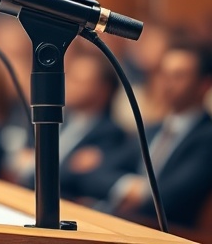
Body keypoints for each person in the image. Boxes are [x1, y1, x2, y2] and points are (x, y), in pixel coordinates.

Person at [95, 38, 212, 228]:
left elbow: (171, 197)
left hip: (171, 233)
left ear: (204, 84)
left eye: (179, 76)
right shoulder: (152, 129)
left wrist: (140, 193)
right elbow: (97, 173)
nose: (167, 83)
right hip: (129, 223)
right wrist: (128, 187)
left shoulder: (207, 137)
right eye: (163, 74)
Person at [13, 52, 132, 199]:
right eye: (69, 77)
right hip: (23, 193)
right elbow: (22, 154)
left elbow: (76, 180)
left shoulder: (110, 134)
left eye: (79, 81)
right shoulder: (56, 115)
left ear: (103, 90)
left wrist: (32, 164)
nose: (68, 85)